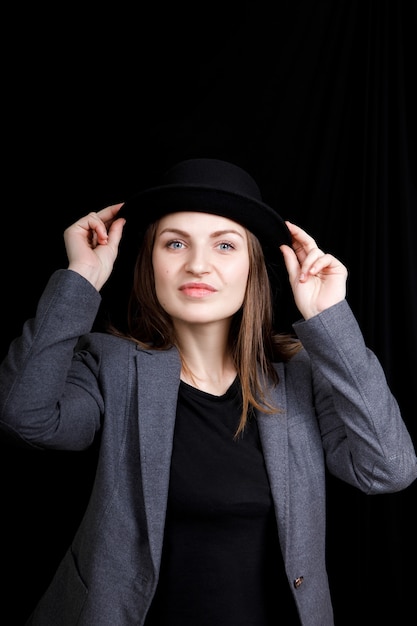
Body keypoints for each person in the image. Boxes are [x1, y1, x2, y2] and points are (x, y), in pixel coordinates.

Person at [0, 158, 416, 626]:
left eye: (224, 245)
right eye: (175, 243)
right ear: (149, 262)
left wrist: (329, 319)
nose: (198, 264)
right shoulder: (110, 365)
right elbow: (28, 418)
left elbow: (387, 469)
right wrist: (82, 278)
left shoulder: (301, 376)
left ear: (252, 267)